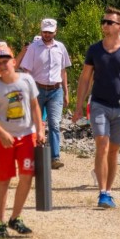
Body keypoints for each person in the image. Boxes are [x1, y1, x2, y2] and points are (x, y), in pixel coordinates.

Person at [73, 6, 120, 209]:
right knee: (102, 145)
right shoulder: (94, 49)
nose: (104, 25)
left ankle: (108, 190)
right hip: (98, 104)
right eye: (103, 22)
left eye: (109, 22)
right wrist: (78, 107)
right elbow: (85, 79)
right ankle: (103, 193)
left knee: (113, 151)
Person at [0, 45, 45, 238]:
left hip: (27, 136)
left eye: (5, 61)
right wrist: (1, 133)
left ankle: (15, 217)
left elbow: (35, 106)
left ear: (14, 61)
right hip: (5, 139)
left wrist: (40, 129)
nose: (2, 65)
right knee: (3, 179)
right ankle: (0, 222)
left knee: (27, 176)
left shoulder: (27, 80)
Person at [19, 18, 71, 169]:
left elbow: (63, 71)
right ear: (41, 31)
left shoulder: (60, 47)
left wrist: (66, 92)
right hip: (37, 89)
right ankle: (35, 155)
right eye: (45, 32)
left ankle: (55, 157)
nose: (47, 35)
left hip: (56, 90)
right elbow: (26, 70)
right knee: (35, 124)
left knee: (55, 124)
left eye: (50, 32)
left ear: (55, 31)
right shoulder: (34, 48)